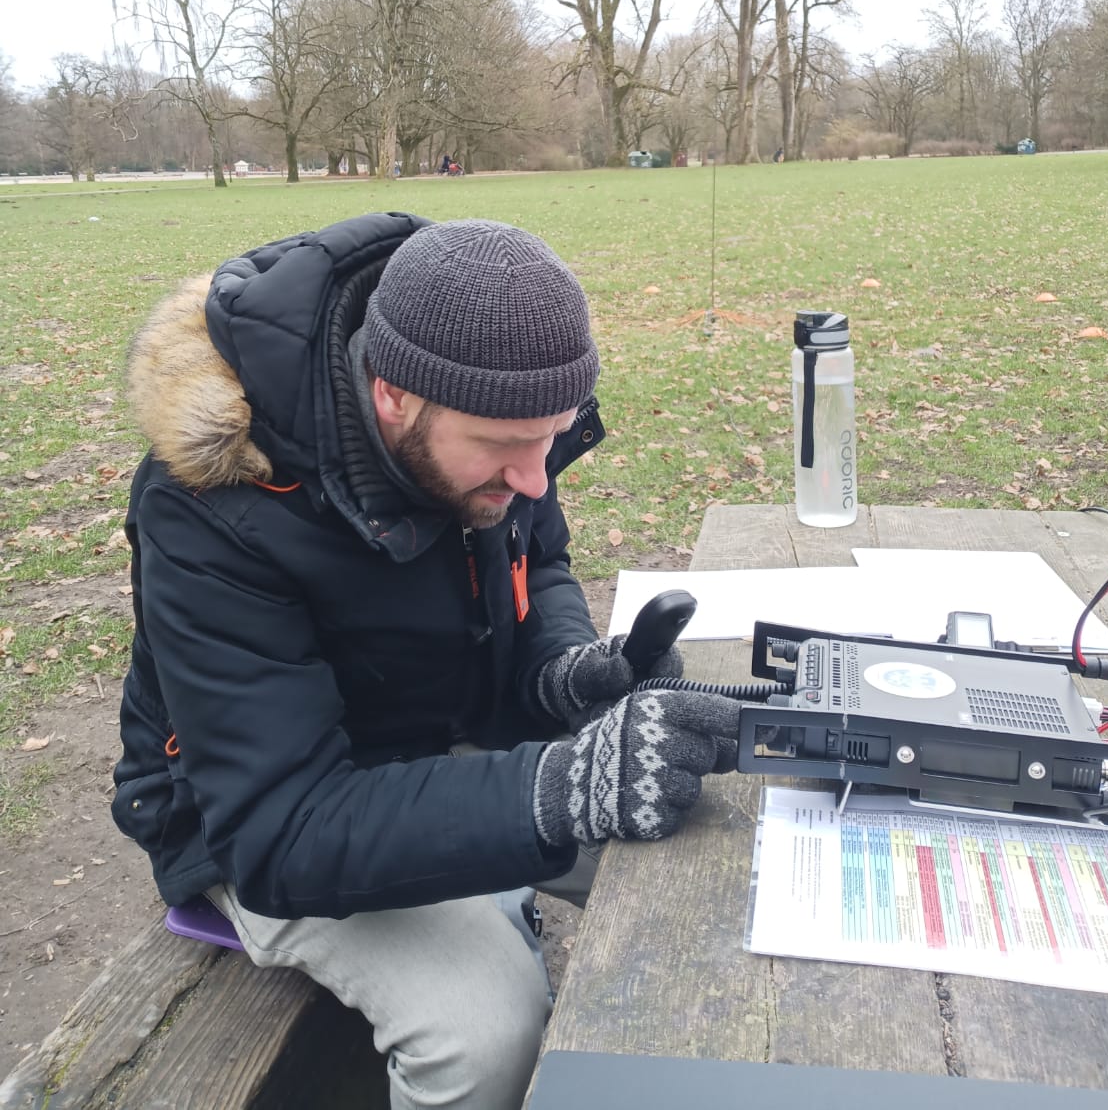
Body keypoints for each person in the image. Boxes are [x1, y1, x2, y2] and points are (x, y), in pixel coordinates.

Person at [112, 214, 738, 1110]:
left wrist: (560, 668)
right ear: (393, 395)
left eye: (551, 438)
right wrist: (561, 784)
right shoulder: (214, 507)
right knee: (486, 1035)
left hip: (436, 737)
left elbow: (538, 560)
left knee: (707, 847)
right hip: (259, 814)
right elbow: (280, 827)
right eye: (505, 446)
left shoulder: (489, 404)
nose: (536, 478)